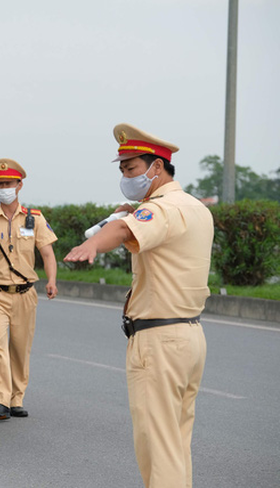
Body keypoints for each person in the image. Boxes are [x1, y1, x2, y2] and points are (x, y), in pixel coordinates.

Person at [64, 123, 213, 487]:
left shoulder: (162, 209)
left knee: (156, 446)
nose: (125, 176)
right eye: (122, 170)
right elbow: (133, 223)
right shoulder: (192, 207)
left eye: (131, 168)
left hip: (159, 341)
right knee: (175, 443)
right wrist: (130, 212)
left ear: (156, 168)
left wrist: (91, 246)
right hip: (189, 335)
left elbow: (123, 231)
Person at [0, 158, 58, 420]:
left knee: (20, 348)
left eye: (8, 183)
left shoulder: (34, 219)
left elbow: (48, 254)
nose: (3, 187)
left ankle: (17, 399)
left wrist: (51, 280)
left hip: (26, 293)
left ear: (19, 185)